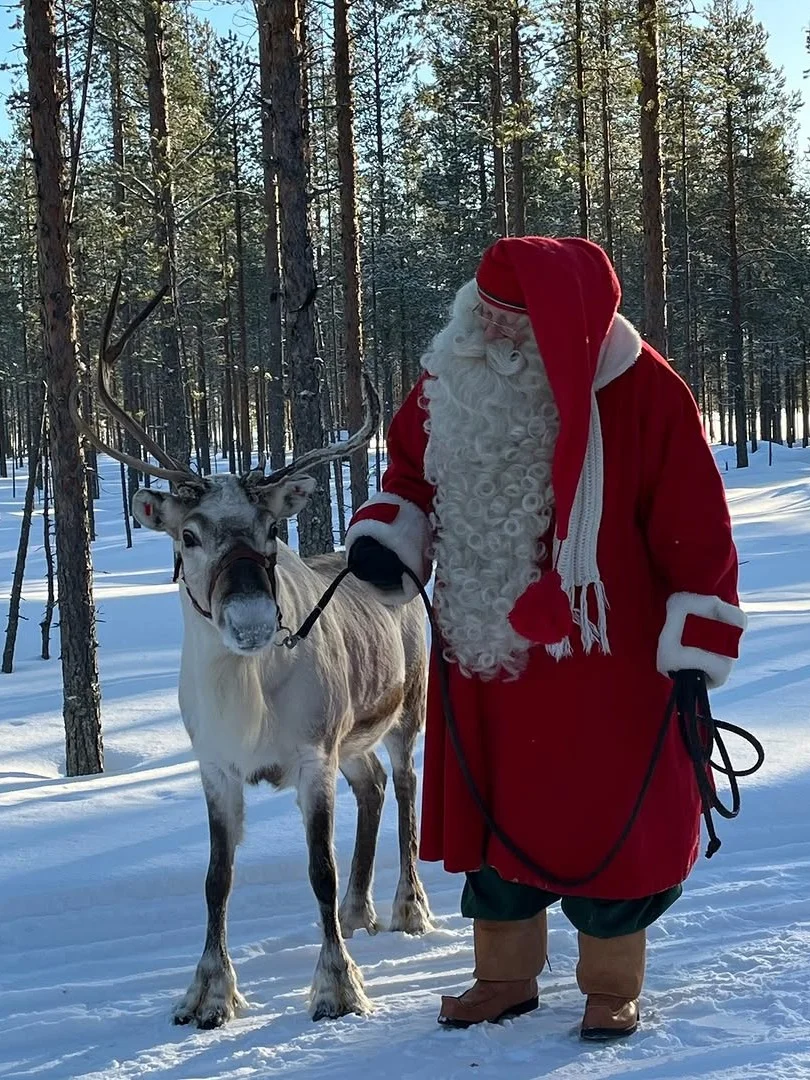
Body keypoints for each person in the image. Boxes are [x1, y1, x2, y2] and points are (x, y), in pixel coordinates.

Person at [345, 236, 746, 1040]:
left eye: (507, 322)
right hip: (484, 648)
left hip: (606, 660)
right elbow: (411, 474)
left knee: (609, 821)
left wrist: (695, 653)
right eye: (479, 314)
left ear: (562, 328)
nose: (485, 333)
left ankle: (609, 983)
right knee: (497, 813)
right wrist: (392, 536)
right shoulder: (450, 379)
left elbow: (697, 534)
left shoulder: (646, 394)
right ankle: (503, 976)